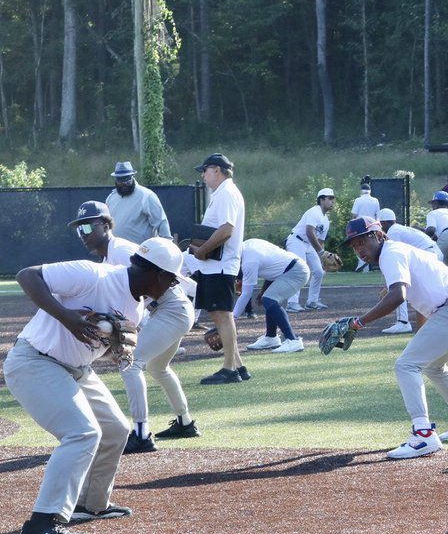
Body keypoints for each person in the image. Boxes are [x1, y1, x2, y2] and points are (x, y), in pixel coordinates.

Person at [5, 237, 191, 534]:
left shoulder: (136, 307)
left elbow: (100, 349)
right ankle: (40, 524)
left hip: (77, 369)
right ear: (159, 275)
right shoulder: (93, 274)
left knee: (115, 430)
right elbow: (27, 276)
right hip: (34, 361)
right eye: (172, 280)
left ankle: (89, 504)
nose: (173, 286)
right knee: (82, 433)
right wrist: (67, 317)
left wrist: (116, 350)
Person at [342, 217, 448, 458]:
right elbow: (422, 297)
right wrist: (421, 333)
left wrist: (358, 322)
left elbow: (397, 296)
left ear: (378, 235)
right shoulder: (395, 251)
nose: (359, 249)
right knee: (433, 366)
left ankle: (423, 435)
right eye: (354, 245)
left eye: (362, 242)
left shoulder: (390, 252)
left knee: (406, 365)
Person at [68, 205, 199, 454]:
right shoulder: (109, 256)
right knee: (158, 368)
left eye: (89, 226)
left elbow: (154, 282)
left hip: (172, 310)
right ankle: (185, 422)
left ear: (106, 225)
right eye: (79, 229)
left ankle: (141, 434)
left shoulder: (121, 250)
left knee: (130, 362)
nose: (84, 233)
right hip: (169, 311)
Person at [191, 153, 248, 385]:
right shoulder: (223, 192)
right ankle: (238, 366)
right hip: (216, 265)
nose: (203, 176)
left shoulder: (226, 192)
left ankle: (229, 369)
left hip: (221, 265)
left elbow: (226, 230)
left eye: (204, 171)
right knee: (218, 314)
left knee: (222, 315)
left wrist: (203, 250)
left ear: (216, 170)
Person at [236, 238, 311, 353]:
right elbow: (273, 267)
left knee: (269, 300)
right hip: (292, 268)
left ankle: (293, 340)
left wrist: (232, 318)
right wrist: (263, 291)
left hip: (296, 272)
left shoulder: (248, 262)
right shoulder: (249, 243)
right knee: (268, 299)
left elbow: (246, 294)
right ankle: (271, 337)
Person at [378, 207, 441, 334]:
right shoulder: (399, 228)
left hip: (427, 254)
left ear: (383, 223)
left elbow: (395, 259)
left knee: (398, 287)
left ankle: (403, 322)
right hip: (434, 253)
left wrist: (388, 287)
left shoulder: (393, 233)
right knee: (421, 290)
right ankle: (431, 323)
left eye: (379, 225)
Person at [285, 187, 337, 311]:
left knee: (319, 271)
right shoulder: (314, 212)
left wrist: (322, 258)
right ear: (321, 200)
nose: (332, 201)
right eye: (329, 198)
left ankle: (312, 301)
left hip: (309, 245)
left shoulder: (326, 220)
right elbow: (309, 232)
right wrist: (321, 252)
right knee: (299, 270)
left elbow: (320, 241)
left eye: (333, 199)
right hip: (296, 241)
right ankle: (292, 303)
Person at [104, 161, 171, 244]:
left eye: (127, 179)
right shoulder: (111, 198)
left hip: (141, 250)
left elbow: (161, 222)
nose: (124, 183)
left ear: (133, 177)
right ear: (115, 180)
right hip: (116, 249)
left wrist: (168, 245)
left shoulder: (146, 195)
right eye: (120, 180)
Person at [70, 201, 138, 267]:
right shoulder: (107, 256)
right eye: (80, 229)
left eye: (87, 228)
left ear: (106, 227)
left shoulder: (121, 252)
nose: (83, 235)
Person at [351, 180, 381, 271]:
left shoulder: (358, 200)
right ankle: (366, 264)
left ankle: (362, 262)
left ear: (361, 191)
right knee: (370, 245)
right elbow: (377, 215)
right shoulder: (375, 200)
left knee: (358, 245)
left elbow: (354, 215)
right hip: (371, 226)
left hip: (360, 227)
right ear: (370, 191)